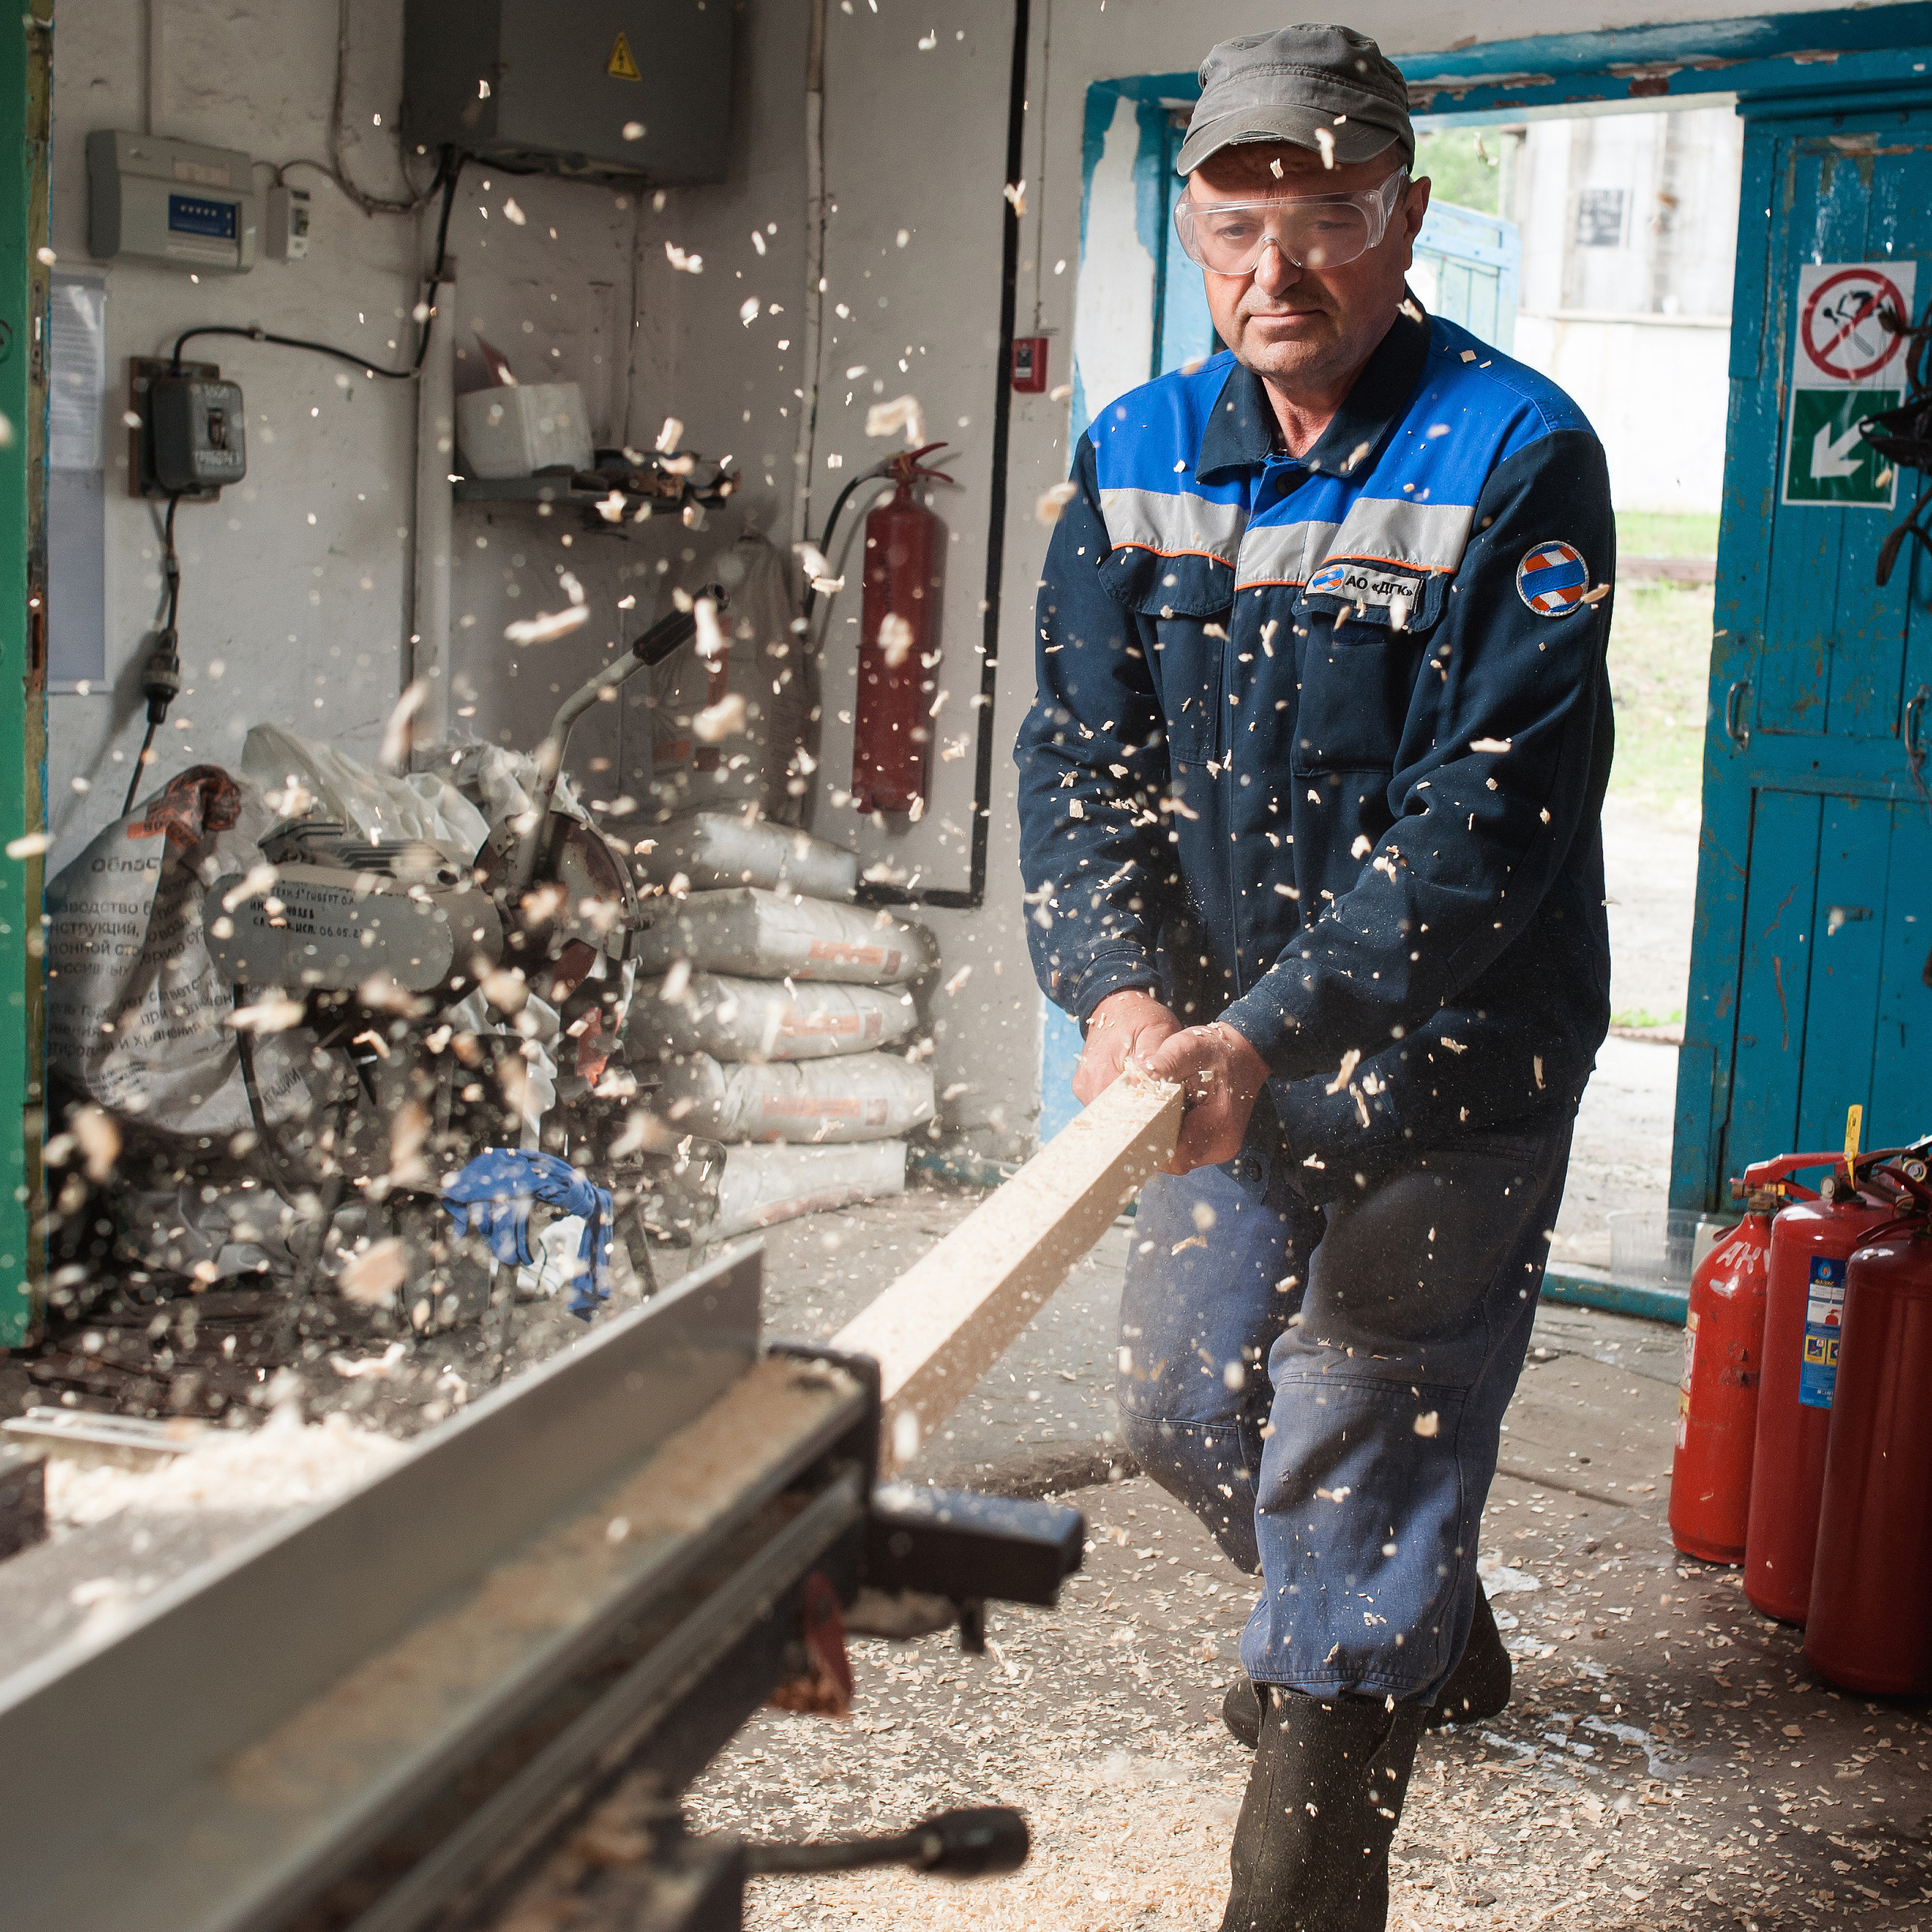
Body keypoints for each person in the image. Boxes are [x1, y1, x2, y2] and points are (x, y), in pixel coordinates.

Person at [1015, 23, 1615, 1930]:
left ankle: (1316, 1808)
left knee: (1357, 1447)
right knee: (1187, 1402)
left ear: (1405, 214)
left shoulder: (1515, 452)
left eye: (1328, 216)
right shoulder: (1130, 456)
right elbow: (1075, 758)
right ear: (1193, 226)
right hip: (1211, 1058)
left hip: (1453, 1060)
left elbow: (1486, 820)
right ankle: (1422, 1618)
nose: (1276, 269)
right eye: (1233, 221)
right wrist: (1114, 993)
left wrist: (1259, 1029)